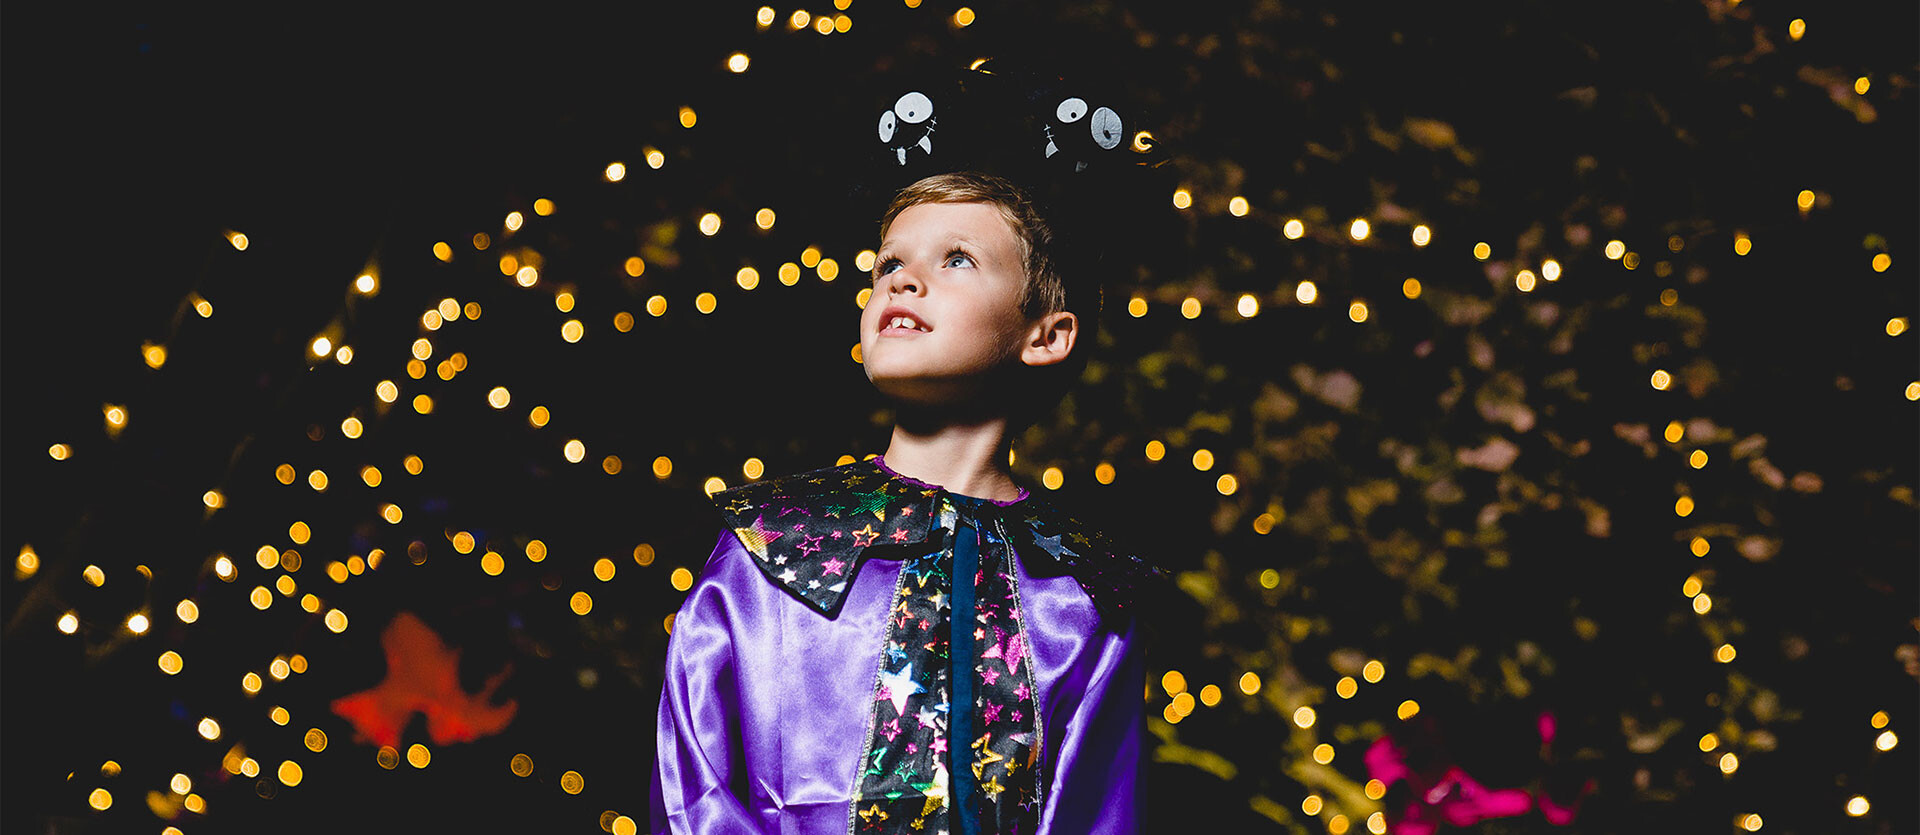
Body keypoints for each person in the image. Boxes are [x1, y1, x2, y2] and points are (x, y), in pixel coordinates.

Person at [650, 170, 1161, 835]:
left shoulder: (1085, 597)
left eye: (957, 258)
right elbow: (694, 790)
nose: (903, 278)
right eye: (889, 262)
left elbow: (1099, 818)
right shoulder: (776, 543)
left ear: (1046, 335)